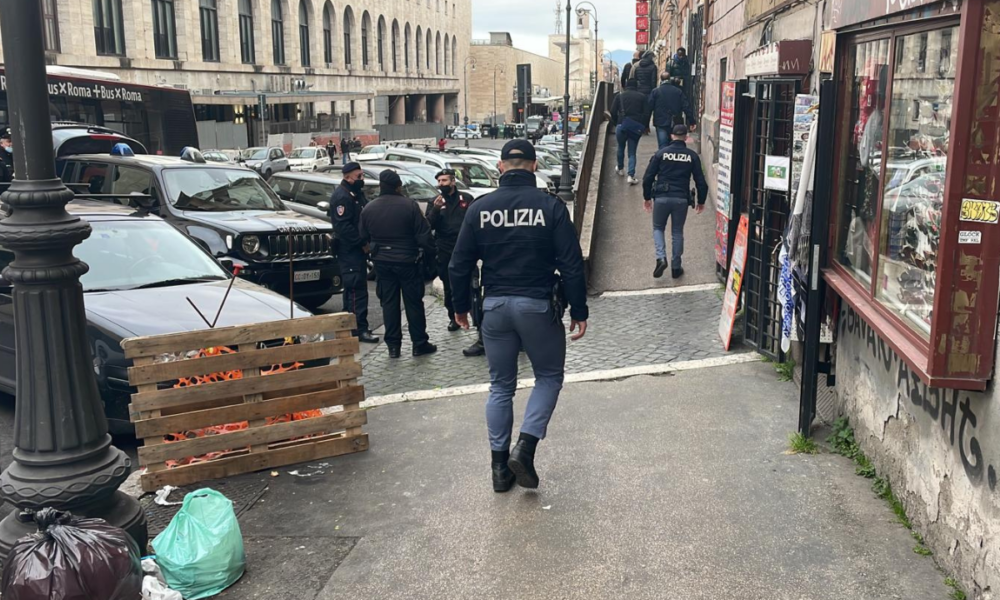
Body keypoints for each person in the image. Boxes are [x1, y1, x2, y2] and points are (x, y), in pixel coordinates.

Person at [449, 139, 589, 493]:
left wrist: (460, 307)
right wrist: (578, 308)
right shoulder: (551, 206)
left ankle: (499, 471)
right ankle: (524, 449)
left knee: (500, 386)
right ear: (534, 165)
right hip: (537, 305)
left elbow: (459, 264)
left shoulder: (480, 208)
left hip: (494, 307)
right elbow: (572, 265)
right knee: (548, 377)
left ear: (500, 167)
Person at [360, 170, 438, 358]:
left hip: (382, 263)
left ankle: (393, 347)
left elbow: (362, 237)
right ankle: (419, 343)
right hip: (408, 261)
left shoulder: (369, 208)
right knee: (413, 304)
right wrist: (432, 254)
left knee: (389, 304)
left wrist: (373, 251)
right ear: (398, 186)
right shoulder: (409, 206)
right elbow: (424, 236)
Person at [426, 169, 484, 356]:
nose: (441, 184)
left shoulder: (466, 199)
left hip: (465, 248)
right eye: (439, 181)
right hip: (444, 249)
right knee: (449, 285)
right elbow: (428, 226)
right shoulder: (435, 202)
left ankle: (477, 318)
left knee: (472, 285)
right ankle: (454, 316)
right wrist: (435, 209)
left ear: (453, 181)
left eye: (444, 180)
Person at [641, 125, 709, 279]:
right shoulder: (692, 156)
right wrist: (701, 201)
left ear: (671, 136)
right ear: (686, 137)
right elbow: (701, 181)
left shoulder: (661, 154)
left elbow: (648, 178)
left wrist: (646, 198)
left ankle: (661, 258)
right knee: (677, 231)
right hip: (681, 199)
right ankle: (676, 267)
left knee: (658, 228)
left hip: (661, 197)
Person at [329, 163, 379, 344]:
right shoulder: (342, 197)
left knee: (354, 289)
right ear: (348, 177)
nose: (362, 179)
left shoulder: (356, 194)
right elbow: (344, 227)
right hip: (349, 250)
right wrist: (362, 243)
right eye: (359, 176)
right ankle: (358, 328)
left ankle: (351, 327)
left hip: (355, 251)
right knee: (355, 289)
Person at [610, 78, 650, 185]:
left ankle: (620, 169)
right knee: (632, 152)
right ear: (636, 86)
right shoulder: (642, 97)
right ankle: (631, 175)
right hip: (635, 127)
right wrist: (643, 126)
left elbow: (612, 112)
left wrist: (617, 123)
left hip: (621, 125)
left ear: (626, 85)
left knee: (620, 147)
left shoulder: (619, 96)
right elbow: (647, 113)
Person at [649, 73, 696, 149]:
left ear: (661, 79)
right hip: (676, 122)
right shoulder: (678, 91)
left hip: (660, 122)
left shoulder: (655, 91)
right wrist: (692, 121)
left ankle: (664, 159)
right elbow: (686, 107)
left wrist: (645, 124)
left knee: (663, 146)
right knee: (676, 145)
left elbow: (649, 107)